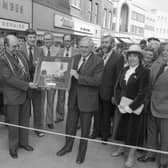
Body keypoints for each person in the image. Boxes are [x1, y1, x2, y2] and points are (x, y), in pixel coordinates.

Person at [56, 37, 104, 164]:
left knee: (85, 130)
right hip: (73, 99)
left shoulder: (98, 61)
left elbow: (97, 81)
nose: (83, 49)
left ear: (92, 47)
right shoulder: (75, 58)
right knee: (70, 126)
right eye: (81, 46)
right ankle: (67, 147)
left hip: (87, 102)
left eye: (86, 47)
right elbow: (64, 73)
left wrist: (78, 76)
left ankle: (81, 154)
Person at [112, 45, 150, 168]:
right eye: (130, 56)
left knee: (134, 132)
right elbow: (118, 87)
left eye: (135, 56)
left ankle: (131, 157)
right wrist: (119, 103)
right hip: (122, 105)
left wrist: (131, 107)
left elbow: (143, 93)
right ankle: (121, 148)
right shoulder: (124, 69)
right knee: (122, 127)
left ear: (139, 58)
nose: (132, 58)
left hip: (135, 107)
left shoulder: (144, 72)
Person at [0, 35, 36, 159]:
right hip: (13, 97)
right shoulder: (2, 59)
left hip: (25, 94)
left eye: (18, 45)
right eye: (14, 46)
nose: (17, 48)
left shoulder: (21, 54)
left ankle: (24, 143)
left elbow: (30, 68)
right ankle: (13, 147)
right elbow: (8, 79)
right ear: (6, 46)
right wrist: (28, 84)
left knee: (24, 121)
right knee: (14, 124)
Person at [91, 35, 122, 142]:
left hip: (109, 92)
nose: (104, 44)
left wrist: (115, 95)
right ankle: (96, 132)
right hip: (96, 91)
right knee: (96, 113)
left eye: (106, 42)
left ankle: (105, 135)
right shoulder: (98, 56)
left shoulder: (118, 57)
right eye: (103, 42)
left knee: (106, 115)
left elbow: (118, 78)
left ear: (112, 44)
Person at [144, 43, 168, 168]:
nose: (165, 52)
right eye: (163, 50)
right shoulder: (156, 64)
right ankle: (150, 154)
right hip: (151, 105)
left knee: (165, 136)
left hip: (165, 108)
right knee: (151, 131)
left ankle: (164, 161)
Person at [20, 28, 45, 137]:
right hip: (24, 84)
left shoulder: (40, 50)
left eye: (34, 37)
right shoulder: (19, 49)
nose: (32, 39)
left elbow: (44, 67)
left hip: (37, 84)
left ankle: (38, 129)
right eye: (30, 37)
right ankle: (24, 129)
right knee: (25, 109)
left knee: (38, 108)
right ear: (26, 38)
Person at [55, 34, 79, 123]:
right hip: (62, 78)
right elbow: (56, 62)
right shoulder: (60, 51)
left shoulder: (77, 51)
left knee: (73, 99)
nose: (67, 42)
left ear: (72, 41)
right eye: (65, 41)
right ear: (63, 41)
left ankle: (73, 118)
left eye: (68, 41)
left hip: (73, 78)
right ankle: (59, 116)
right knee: (60, 98)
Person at [41, 32, 60, 129]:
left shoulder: (58, 50)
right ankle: (40, 121)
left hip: (52, 79)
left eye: (48, 39)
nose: (47, 41)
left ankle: (49, 120)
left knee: (50, 101)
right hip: (42, 79)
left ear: (52, 40)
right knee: (41, 102)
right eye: (45, 39)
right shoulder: (39, 50)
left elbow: (60, 65)